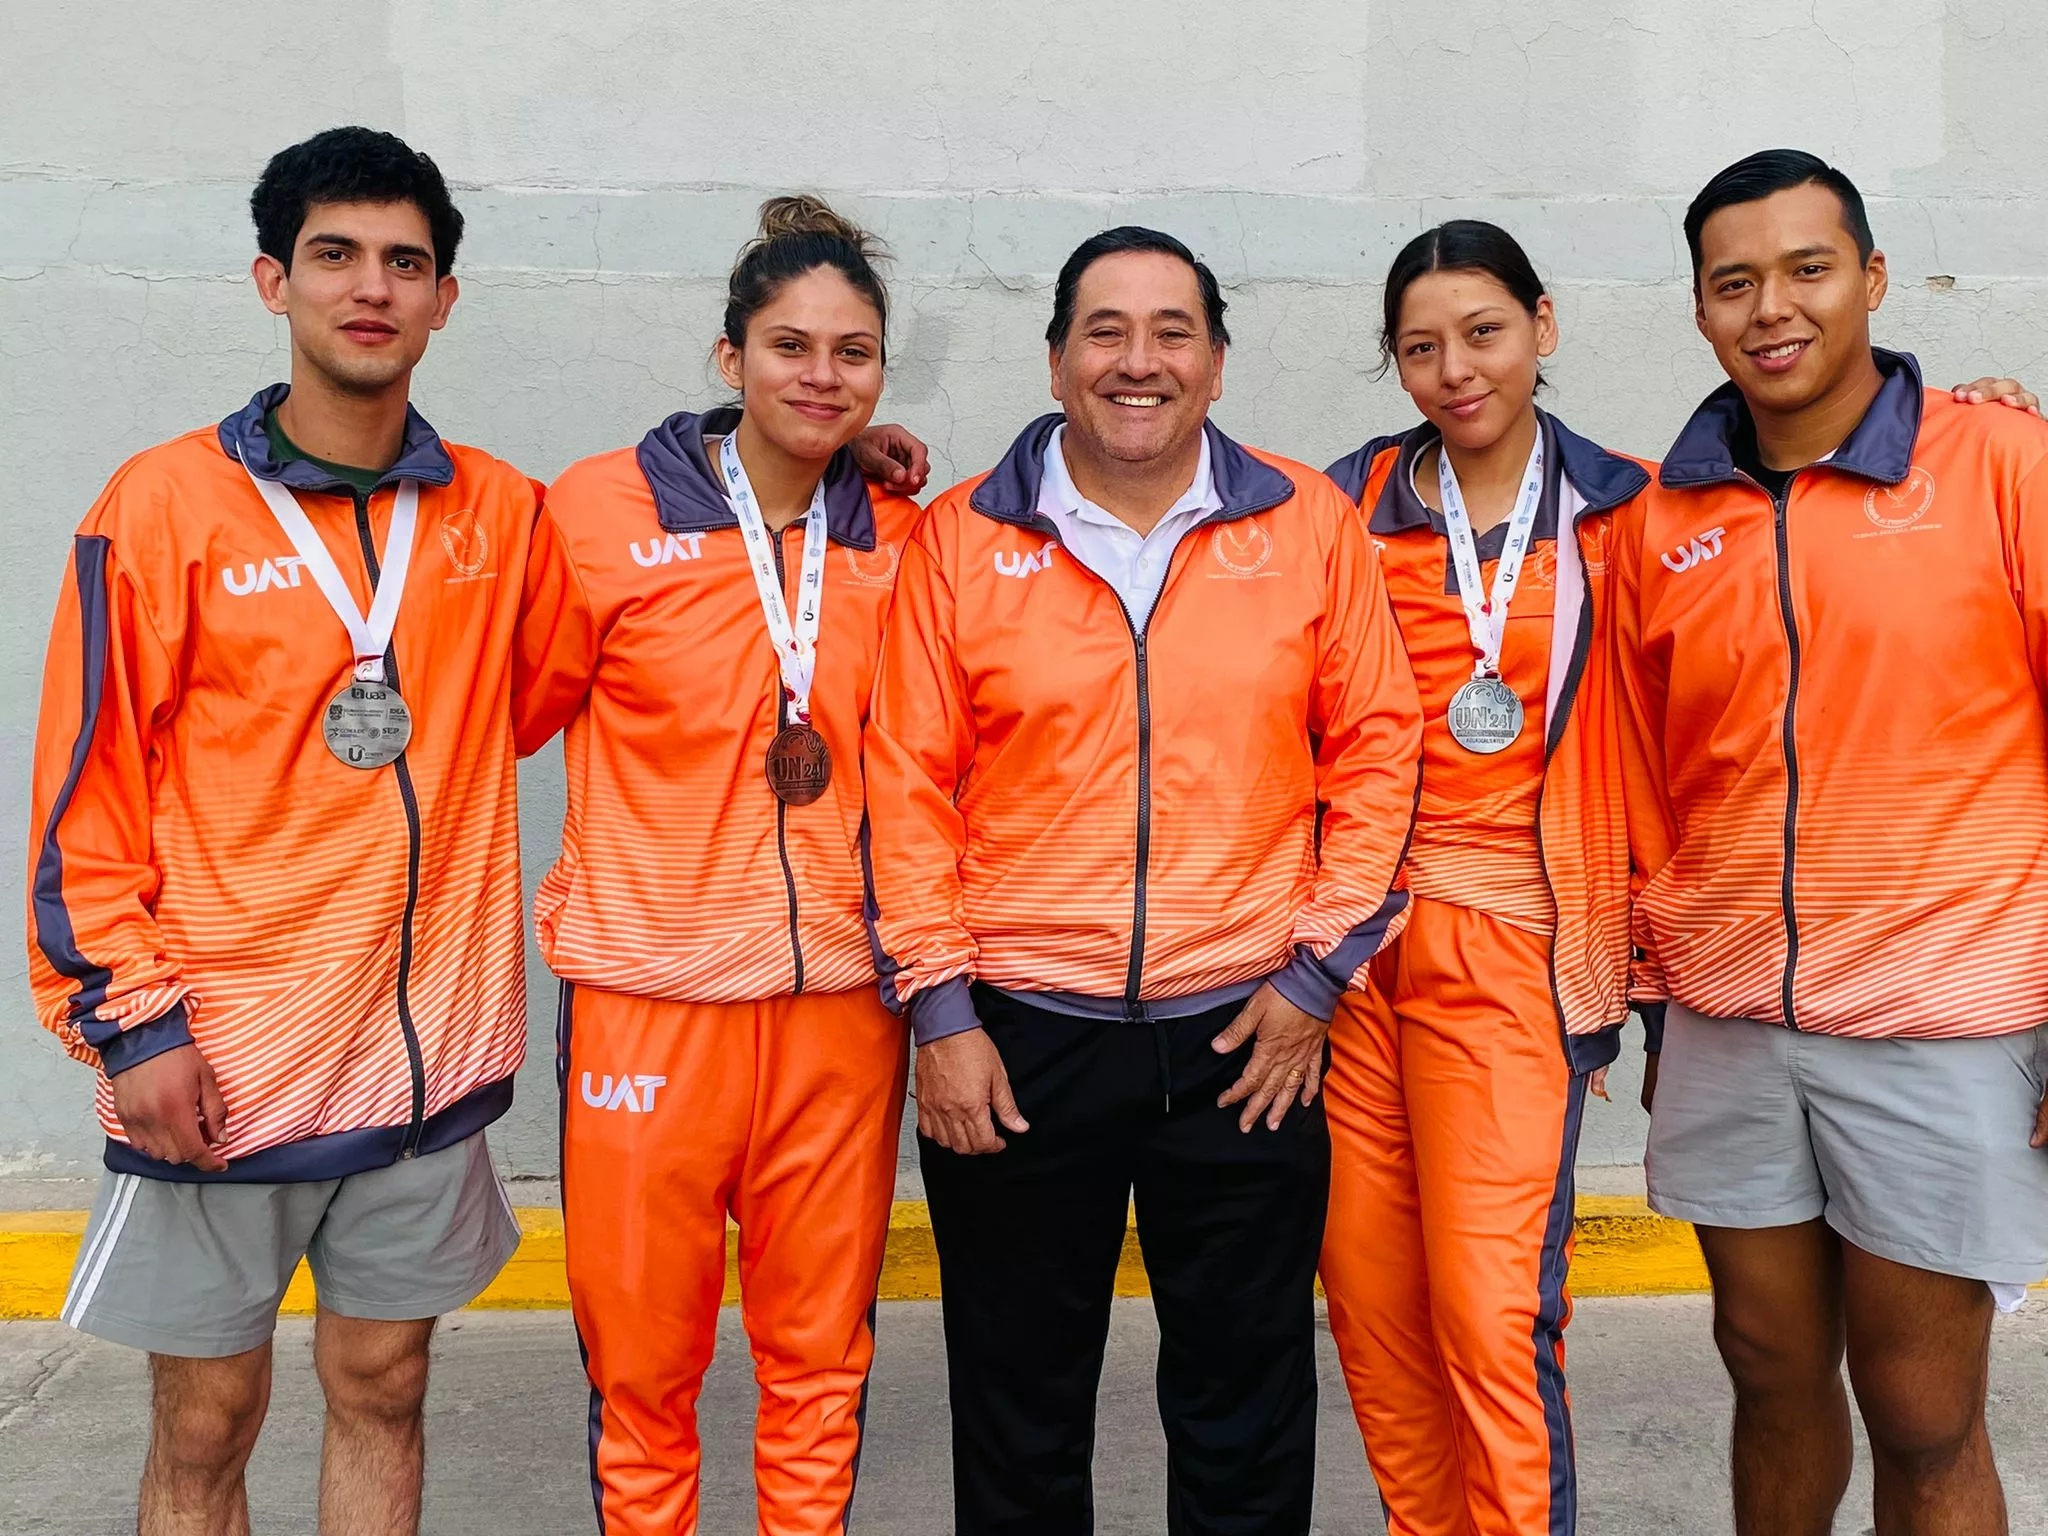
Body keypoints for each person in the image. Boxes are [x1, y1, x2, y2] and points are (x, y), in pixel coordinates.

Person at [24, 126, 570, 1536]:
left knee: (384, 1385)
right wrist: (132, 1027)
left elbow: (635, 627)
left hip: (424, 1065)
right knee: (206, 1422)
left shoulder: (499, 515)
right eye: (335, 255)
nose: (370, 287)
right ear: (274, 280)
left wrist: (821, 465)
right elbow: (82, 793)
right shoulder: (159, 507)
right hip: (224, 1063)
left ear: (448, 296)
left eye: (406, 261)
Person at [863, 226, 1424, 1535]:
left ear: (1218, 364)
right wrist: (941, 1017)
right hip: (1018, 1038)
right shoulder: (960, 540)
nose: (1140, 360)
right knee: (1019, 1411)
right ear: (1057, 360)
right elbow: (904, 785)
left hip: (1250, 1033)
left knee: (1244, 1408)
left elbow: (1383, 755)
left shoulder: (1306, 525)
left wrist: (1317, 976)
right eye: (1106, 331)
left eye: (1173, 331)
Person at [1615, 148, 2048, 1536]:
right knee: (1768, 1376)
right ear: (1698, 310)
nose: (1772, 307)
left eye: (1808, 268)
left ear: (1871, 277)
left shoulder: (2002, 463)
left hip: (1941, 1018)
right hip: (1732, 1017)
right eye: (1732, 281)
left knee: (1924, 1412)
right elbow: (1641, 775)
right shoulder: (1661, 522)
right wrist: (1647, 993)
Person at [514, 197, 923, 1536]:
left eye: (851, 352)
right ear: (727, 354)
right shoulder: (594, 513)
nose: (820, 375)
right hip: (650, 1005)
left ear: (879, 373)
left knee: (818, 1366)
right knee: (645, 1378)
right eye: (789, 345)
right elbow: (509, 713)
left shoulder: (905, 534)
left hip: (839, 1018)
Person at [1319, 221, 1650, 1536]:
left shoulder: (1632, 511)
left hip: (1517, 948)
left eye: (1484, 332)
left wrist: (1981, 415)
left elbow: (1790, 516)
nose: (1455, 369)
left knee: (1491, 1312)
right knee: (1371, 1299)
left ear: (1545, 327)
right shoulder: (1337, 508)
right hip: (1354, 953)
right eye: (1419, 346)